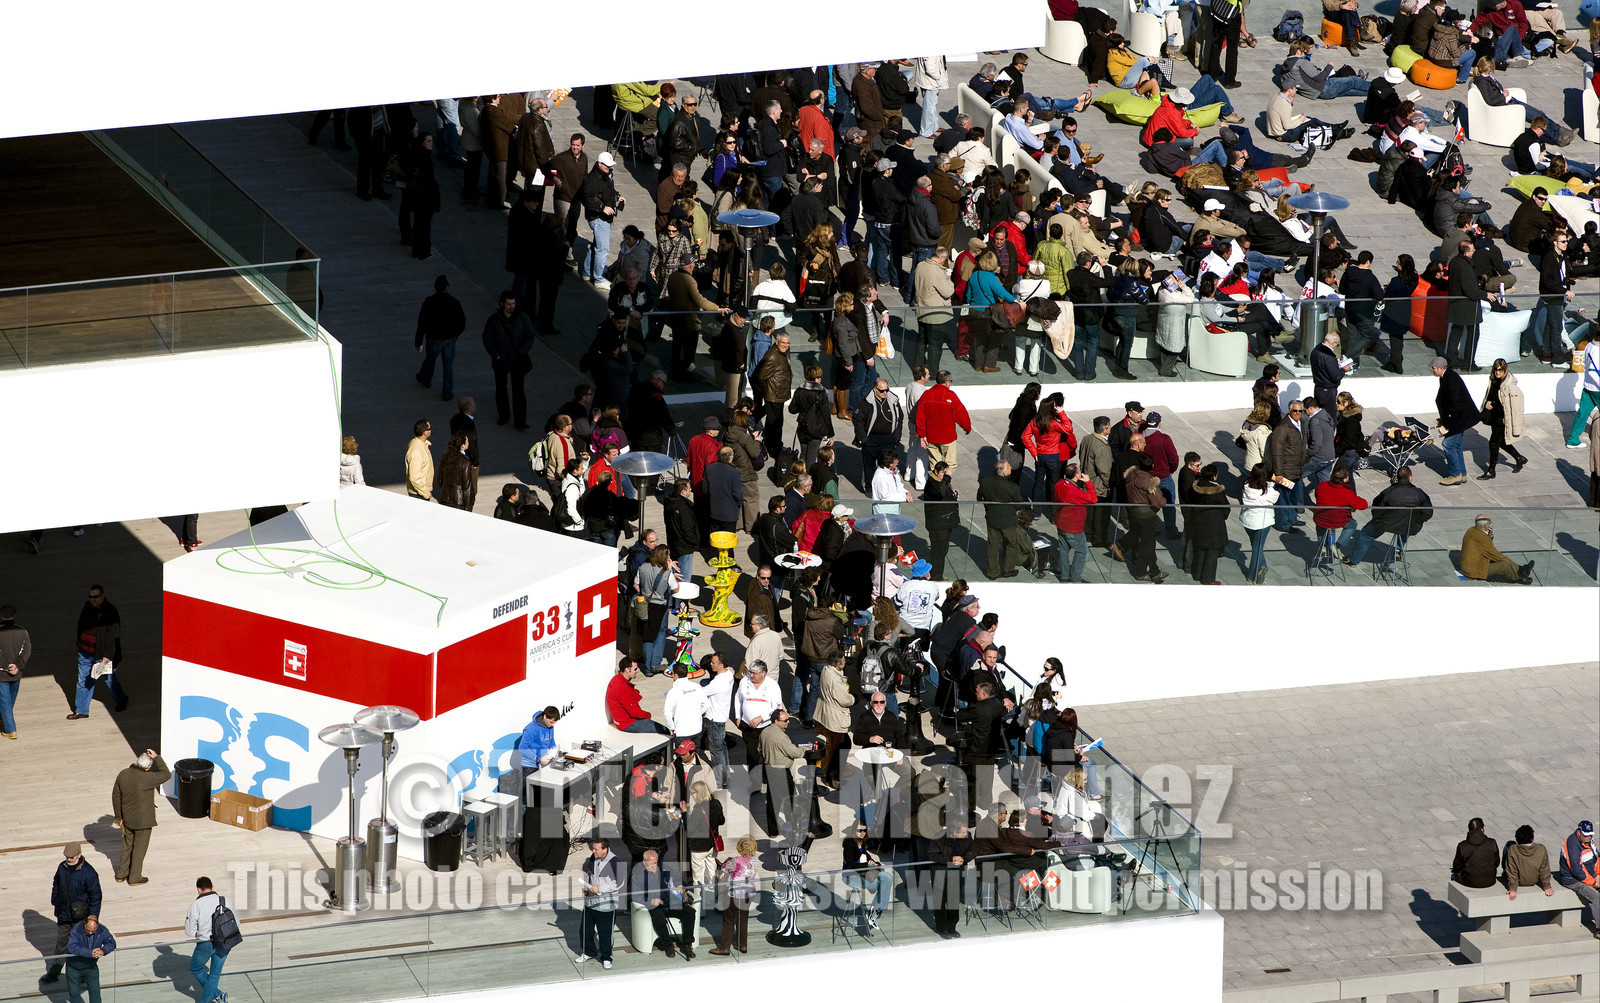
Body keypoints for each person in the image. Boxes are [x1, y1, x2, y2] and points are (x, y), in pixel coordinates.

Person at [1343, 466, 1435, 566]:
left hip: (1386, 523)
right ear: (1410, 477)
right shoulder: (1420, 493)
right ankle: (1398, 550)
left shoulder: (1388, 492)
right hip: (1410, 525)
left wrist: (1379, 520)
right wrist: (1417, 520)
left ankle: (1353, 560)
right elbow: (1428, 513)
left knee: (1365, 535)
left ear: (1397, 477)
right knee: (1405, 526)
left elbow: (1376, 509)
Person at [44, 842, 101, 986]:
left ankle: (82, 974)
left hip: (80, 917)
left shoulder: (89, 872)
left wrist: (93, 916)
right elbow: (56, 883)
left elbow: (96, 896)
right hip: (63, 914)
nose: (68, 859)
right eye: (67, 857)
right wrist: (55, 900)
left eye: (71, 857)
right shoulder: (62, 867)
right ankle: (54, 972)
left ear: (79, 855)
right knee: (61, 945)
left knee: (80, 945)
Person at [111, 749, 169, 885]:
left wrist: (119, 817)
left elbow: (116, 797)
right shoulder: (147, 778)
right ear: (148, 767)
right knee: (139, 849)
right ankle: (134, 877)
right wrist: (157, 758)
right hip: (143, 821)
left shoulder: (123, 774)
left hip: (127, 818)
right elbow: (166, 774)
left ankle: (121, 874)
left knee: (127, 846)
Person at [70, 585, 126, 719]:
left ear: (103, 596)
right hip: (84, 652)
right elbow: (80, 625)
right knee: (83, 679)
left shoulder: (110, 612)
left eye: (95, 597)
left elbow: (113, 635)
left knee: (108, 679)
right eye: (90, 597)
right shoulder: (87, 607)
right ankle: (81, 710)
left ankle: (122, 699)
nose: (92, 599)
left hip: (101, 655)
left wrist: (108, 656)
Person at [482, 291, 536, 430]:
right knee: (501, 389)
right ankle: (504, 415)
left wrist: (522, 351)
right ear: (502, 304)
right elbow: (487, 340)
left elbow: (530, 336)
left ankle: (520, 421)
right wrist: (497, 355)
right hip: (501, 360)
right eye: (508, 304)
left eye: (513, 303)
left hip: (517, 359)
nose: (511, 306)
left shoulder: (522, 317)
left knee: (518, 391)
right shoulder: (494, 320)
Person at [631, 850, 696, 959]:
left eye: (655, 863)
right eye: (650, 863)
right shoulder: (638, 875)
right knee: (659, 919)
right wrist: (650, 901)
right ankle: (668, 944)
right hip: (654, 906)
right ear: (644, 862)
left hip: (670, 902)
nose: (653, 866)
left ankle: (687, 943)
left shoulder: (665, 869)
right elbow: (633, 895)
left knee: (689, 913)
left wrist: (680, 885)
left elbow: (678, 880)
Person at [414, 275, 467, 400]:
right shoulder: (454, 303)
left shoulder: (429, 302)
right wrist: (455, 335)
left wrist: (418, 341)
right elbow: (462, 321)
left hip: (434, 338)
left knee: (430, 359)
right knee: (448, 365)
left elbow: (422, 323)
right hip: (450, 339)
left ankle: (426, 379)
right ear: (447, 287)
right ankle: (447, 392)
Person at [977, 460, 1031, 579]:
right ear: (1005, 472)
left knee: (993, 545)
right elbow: (1018, 504)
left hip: (992, 518)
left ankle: (992, 572)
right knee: (1012, 543)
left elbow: (979, 497)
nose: (1011, 469)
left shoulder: (986, 481)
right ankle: (1008, 569)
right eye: (1009, 468)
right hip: (1008, 521)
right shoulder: (1012, 487)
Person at [736, 660, 783, 793]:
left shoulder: (773, 686)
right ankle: (755, 783)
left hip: (766, 726)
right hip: (747, 726)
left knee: (768, 754)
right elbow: (738, 698)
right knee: (751, 754)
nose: (751, 675)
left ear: (763, 673)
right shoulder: (744, 682)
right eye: (750, 672)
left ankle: (768, 776)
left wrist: (762, 717)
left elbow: (777, 707)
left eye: (754, 673)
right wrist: (738, 716)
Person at [578, 838, 625, 968]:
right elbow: (590, 874)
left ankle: (607, 957)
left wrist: (600, 889)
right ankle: (588, 952)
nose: (593, 851)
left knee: (605, 933)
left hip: (606, 905)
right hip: (591, 903)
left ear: (605, 849)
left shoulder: (615, 862)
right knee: (585, 930)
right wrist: (587, 888)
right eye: (593, 848)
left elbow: (619, 883)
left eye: (596, 849)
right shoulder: (594, 858)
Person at [1476, 359, 1527, 479]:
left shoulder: (1510, 386)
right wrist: (1487, 405)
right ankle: (1520, 458)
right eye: (1495, 369)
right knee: (1502, 442)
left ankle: (1491, 471)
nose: (1497, 372)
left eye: (1500, 370)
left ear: (1505, 370)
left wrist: (1509, 420)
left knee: (1493, 443)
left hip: (1502, 419)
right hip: (1494, 417)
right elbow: (1491, 397)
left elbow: (1516, 407)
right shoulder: (1494, 381)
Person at [1433, 357, 1479, 486]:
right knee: (1456, 445)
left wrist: (1446, 425)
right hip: (1459, 418)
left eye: (1434, 368)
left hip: (1460, 418)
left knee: (1448, 444)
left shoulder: (1451, 380)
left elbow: (1453, 405)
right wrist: (1443, 420)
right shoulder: (1446, 376)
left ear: (1440, 368)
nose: (1432, 370)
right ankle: (1462, 474)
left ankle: (1455, 475)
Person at [1121, 452, 1167, 582]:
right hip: (1146, 516)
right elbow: (1159, 502)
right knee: (1148, 545)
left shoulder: (1131, 476)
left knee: (1146, 544)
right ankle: (1141, 572)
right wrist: (1163, 498)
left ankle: (1154, 570)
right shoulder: (1149, 482)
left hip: (1133, 513)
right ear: (1152, 466)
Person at [710, 835, 760, 954]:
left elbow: (723, 868)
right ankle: (742, 945)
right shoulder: (755, 861)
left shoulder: (735, 861)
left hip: (734, 894)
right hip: (749, 893)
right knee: (743, 920)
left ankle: (725, 947)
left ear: (740, 847)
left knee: (728, 920)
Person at [1241, 463, 1289, 583]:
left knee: (1255, 545)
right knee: (1257, 548)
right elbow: (1275, 497)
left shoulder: (1246, 485)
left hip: (1247, 520)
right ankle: (1252, 575)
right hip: (1262, 523)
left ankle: (1262, 565)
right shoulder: (1269, 492)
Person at [184, 877, 230, 1003]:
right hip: (225, 942)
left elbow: (189, 931)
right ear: (212, 887)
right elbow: (236, 921)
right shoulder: (224, 900)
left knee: (196, 968)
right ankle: (218, 995)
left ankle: (211, 998)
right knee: (214, 975)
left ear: (199, 890)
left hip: (205, 943)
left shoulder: (196, 905)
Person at [915, 371, 972, 472]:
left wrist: (922, 435)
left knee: (935, 466)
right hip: (948, 438)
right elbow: (962, 415)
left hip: (931, 437)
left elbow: (920, 417)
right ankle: (945, 484)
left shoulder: (926, 394)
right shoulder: (951, 396)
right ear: (947, 383)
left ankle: (936, 484)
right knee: (950, 465)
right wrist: (967, 428)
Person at [842, 821, 896, 928]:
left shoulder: (861, 843)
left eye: (864, 830)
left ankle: (876, 910)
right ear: (854, 830)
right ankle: (874, 911)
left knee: (888, 878)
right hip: (851, 876)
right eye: (859, 830)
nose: (862, 833)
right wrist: (866, 865)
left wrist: (873, 863)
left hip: (863, 873)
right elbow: (850, 865)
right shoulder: (850, 843)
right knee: (882, 885)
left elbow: (867, 857)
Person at [1269, 401, 1308, 532]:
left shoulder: (1300, 424)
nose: (1297, 413)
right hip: (1285, 471)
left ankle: (1292, 519)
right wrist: (1279, 473)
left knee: (1294, 497)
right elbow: (1277, 452)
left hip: (1296, 469)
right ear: (1289, 411)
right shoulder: (1282, 428)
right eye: (1294, 411)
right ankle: (1283, 524)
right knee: (1283, 499)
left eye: (1300, 411)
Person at [1459, 515, 1535, 583]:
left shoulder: (1472, 530)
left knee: (1500, 560)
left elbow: (1485, 546)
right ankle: (1518, 577)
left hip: (1472, 564)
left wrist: (1490, 533)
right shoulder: (1481, 537)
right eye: (1490, 523)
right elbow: (1494, 553)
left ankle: (1521, 569)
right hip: (1473, 570)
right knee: (1504, 565)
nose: (1491, 524)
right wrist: (1510, 563)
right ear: (1485, 526)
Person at [1556, 820, 1599, 937]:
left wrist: (1598, 875)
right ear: (1579, 832)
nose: (1589, 837)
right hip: (1573, 880)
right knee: (1596, 897)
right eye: (1586, 835)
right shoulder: (1572, 845)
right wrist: (1594, 883)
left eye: (1590, 835)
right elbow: (1577, 871)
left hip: (1590, 876)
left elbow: (1597, 857)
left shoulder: (1589, 841)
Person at [63, 912, 114, 1003]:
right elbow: (72, 947)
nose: (90, 933)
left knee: (95, 994)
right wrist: (90, 953)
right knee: (74, 995)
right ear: (84, 924)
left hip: (91, 967)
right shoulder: (76, 930)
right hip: (74, 968)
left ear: (97, 927)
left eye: (93, 931)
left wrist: (103, 950)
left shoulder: (102, 930)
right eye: (88, 930)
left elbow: (111, 943)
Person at [1504, 824, 1556, 900]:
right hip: (1534, 880)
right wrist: (1547, 886)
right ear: (1532, 838)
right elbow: (1545, 869)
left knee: (1509, 843)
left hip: (1518, 881)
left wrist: (1513, 889)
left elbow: (1512, 871)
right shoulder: (1541, 849)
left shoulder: (1513, 849)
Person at [1566, 339, 1600, 450]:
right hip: (1597, 389)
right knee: (1582, 413)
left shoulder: (1589, 345)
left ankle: (1573, 439)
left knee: (1583, 413)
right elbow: (1592, 372)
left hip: (1588, 387)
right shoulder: (1597, 351)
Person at [1451, 817, 1500, 888]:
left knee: (1454, 875)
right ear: (1482, 828)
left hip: (1470, 882)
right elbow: (1497, 862)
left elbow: (1457, 865)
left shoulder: (1462, 846)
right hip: (1490, 880)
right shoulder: (1492, 843)